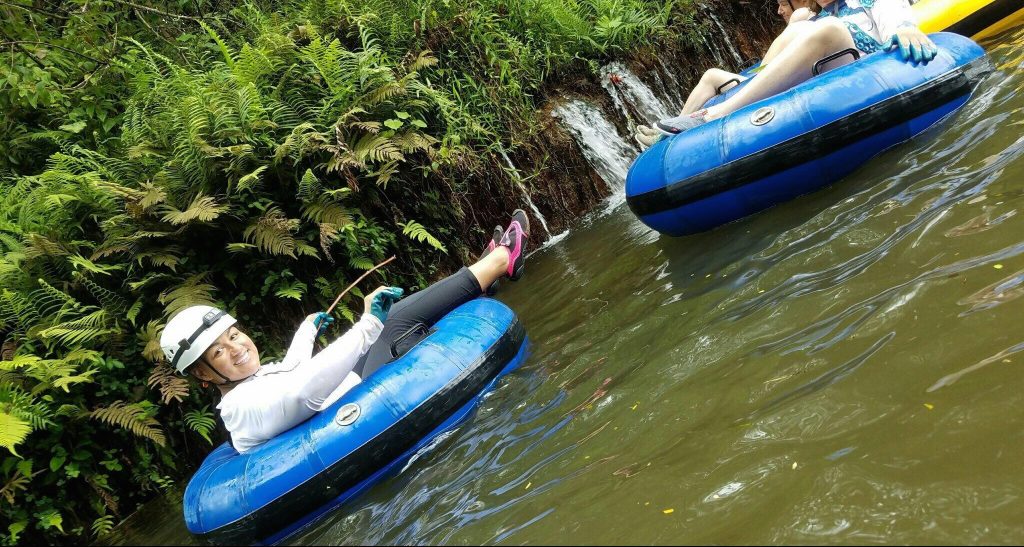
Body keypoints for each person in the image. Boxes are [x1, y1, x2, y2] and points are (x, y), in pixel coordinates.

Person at [159, 210, 531, 453]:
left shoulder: (250, 384)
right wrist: (367, 325)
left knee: (393, 323)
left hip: (345, 392)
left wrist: (304, 333)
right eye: (219, 352)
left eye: (233, 336)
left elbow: (290, 373)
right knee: (393, 323)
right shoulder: (239, 407)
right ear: (203, 374)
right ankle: (502, 260)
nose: (236, 348)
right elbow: (300, 391)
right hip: (350, 411)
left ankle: (484, 273)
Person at [636, 0, 937, 148]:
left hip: (861, 74)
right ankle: (670, 139)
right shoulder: (811, 17)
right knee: (714, 75)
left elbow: (898, 19)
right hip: (813, 80)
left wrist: (905, 28)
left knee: (827, 28)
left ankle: (713, 116)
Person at [635, 0, 821, 147]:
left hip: (768, 78)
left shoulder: (802, 16)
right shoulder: (806, 19)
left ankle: (668, 131)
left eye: (782, 4)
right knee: (711, 75)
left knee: (711, 75)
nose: (779, 11)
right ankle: (672, 126)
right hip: (761, 76)